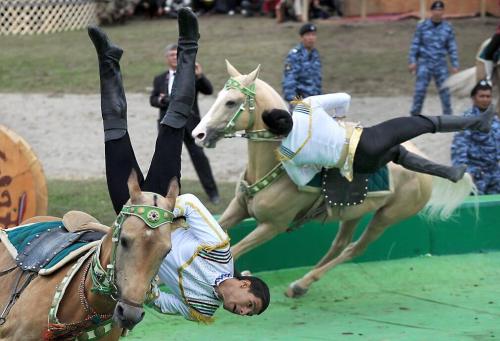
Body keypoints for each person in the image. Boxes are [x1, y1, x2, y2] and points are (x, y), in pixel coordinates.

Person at [88, 8, 270, 323]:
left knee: (113, 129)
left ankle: (108, 59)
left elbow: (162, 303)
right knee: (175, 119)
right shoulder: (220, 251)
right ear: (245, 283)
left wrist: (145, 287)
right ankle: (188, 43)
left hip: (130, 215)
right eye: (248, 305)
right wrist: (158, 214)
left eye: (246, 313)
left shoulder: (201, 309)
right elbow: (191, 204)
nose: (240, 311)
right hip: (163, 196)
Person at [261, 93, 495, 187]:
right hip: (366, 141)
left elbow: (303, 180)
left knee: (397, 153)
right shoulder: (305, 106)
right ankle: (478, 123)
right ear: (286, 112)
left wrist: (317, 161)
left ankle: (449, 173)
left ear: (275, 132)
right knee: (424, 123)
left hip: (360, 166)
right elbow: (344, 97)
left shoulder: (287, 153)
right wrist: (337, 118)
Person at [150, 44, 220, 204]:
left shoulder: (191, 75)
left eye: (177, 54)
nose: (174, 57)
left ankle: (213, 193)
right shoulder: (160, 78)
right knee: (168, 161)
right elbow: (153, 99)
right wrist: (162, 100)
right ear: (166, 58)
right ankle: (172, 195)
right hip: (167, 125)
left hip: (190, 125)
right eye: (171, 55)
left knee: (199, 158)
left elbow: (208, 90)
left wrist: (200, 76)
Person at [408, 0, 459, 116]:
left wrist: (455, 64)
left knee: (445, 92)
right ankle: (414, 117)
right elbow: (415, 44)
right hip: (424, 64)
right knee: (419, 91)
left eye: (440, 10)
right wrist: (412, 61)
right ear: (431, 11)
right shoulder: (422, 26)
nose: (438, 12)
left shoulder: (447, 27)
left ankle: (448, 117)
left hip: (441, 64)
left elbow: (452, 47)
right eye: (435, 9)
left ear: (443, 11)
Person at [451, 80, 500, 195]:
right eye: (481, 96)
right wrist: (464, 173)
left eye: (488, 96)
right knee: (475, 209)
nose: (485, 99)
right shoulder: (467, 120)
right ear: (473, 98)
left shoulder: (494, 119)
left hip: (494, 174)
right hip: (475, 175)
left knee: (494, 208)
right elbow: (459, 148)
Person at [282, 23, 322, 106]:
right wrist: (295, 102)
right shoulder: (294, 55)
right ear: (301, 37)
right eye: (308, 35)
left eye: (313, 35)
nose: (311, 38)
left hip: (315, 101)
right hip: (300, 102)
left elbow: (317, 80)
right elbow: (289, 80)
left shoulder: (315, 54)